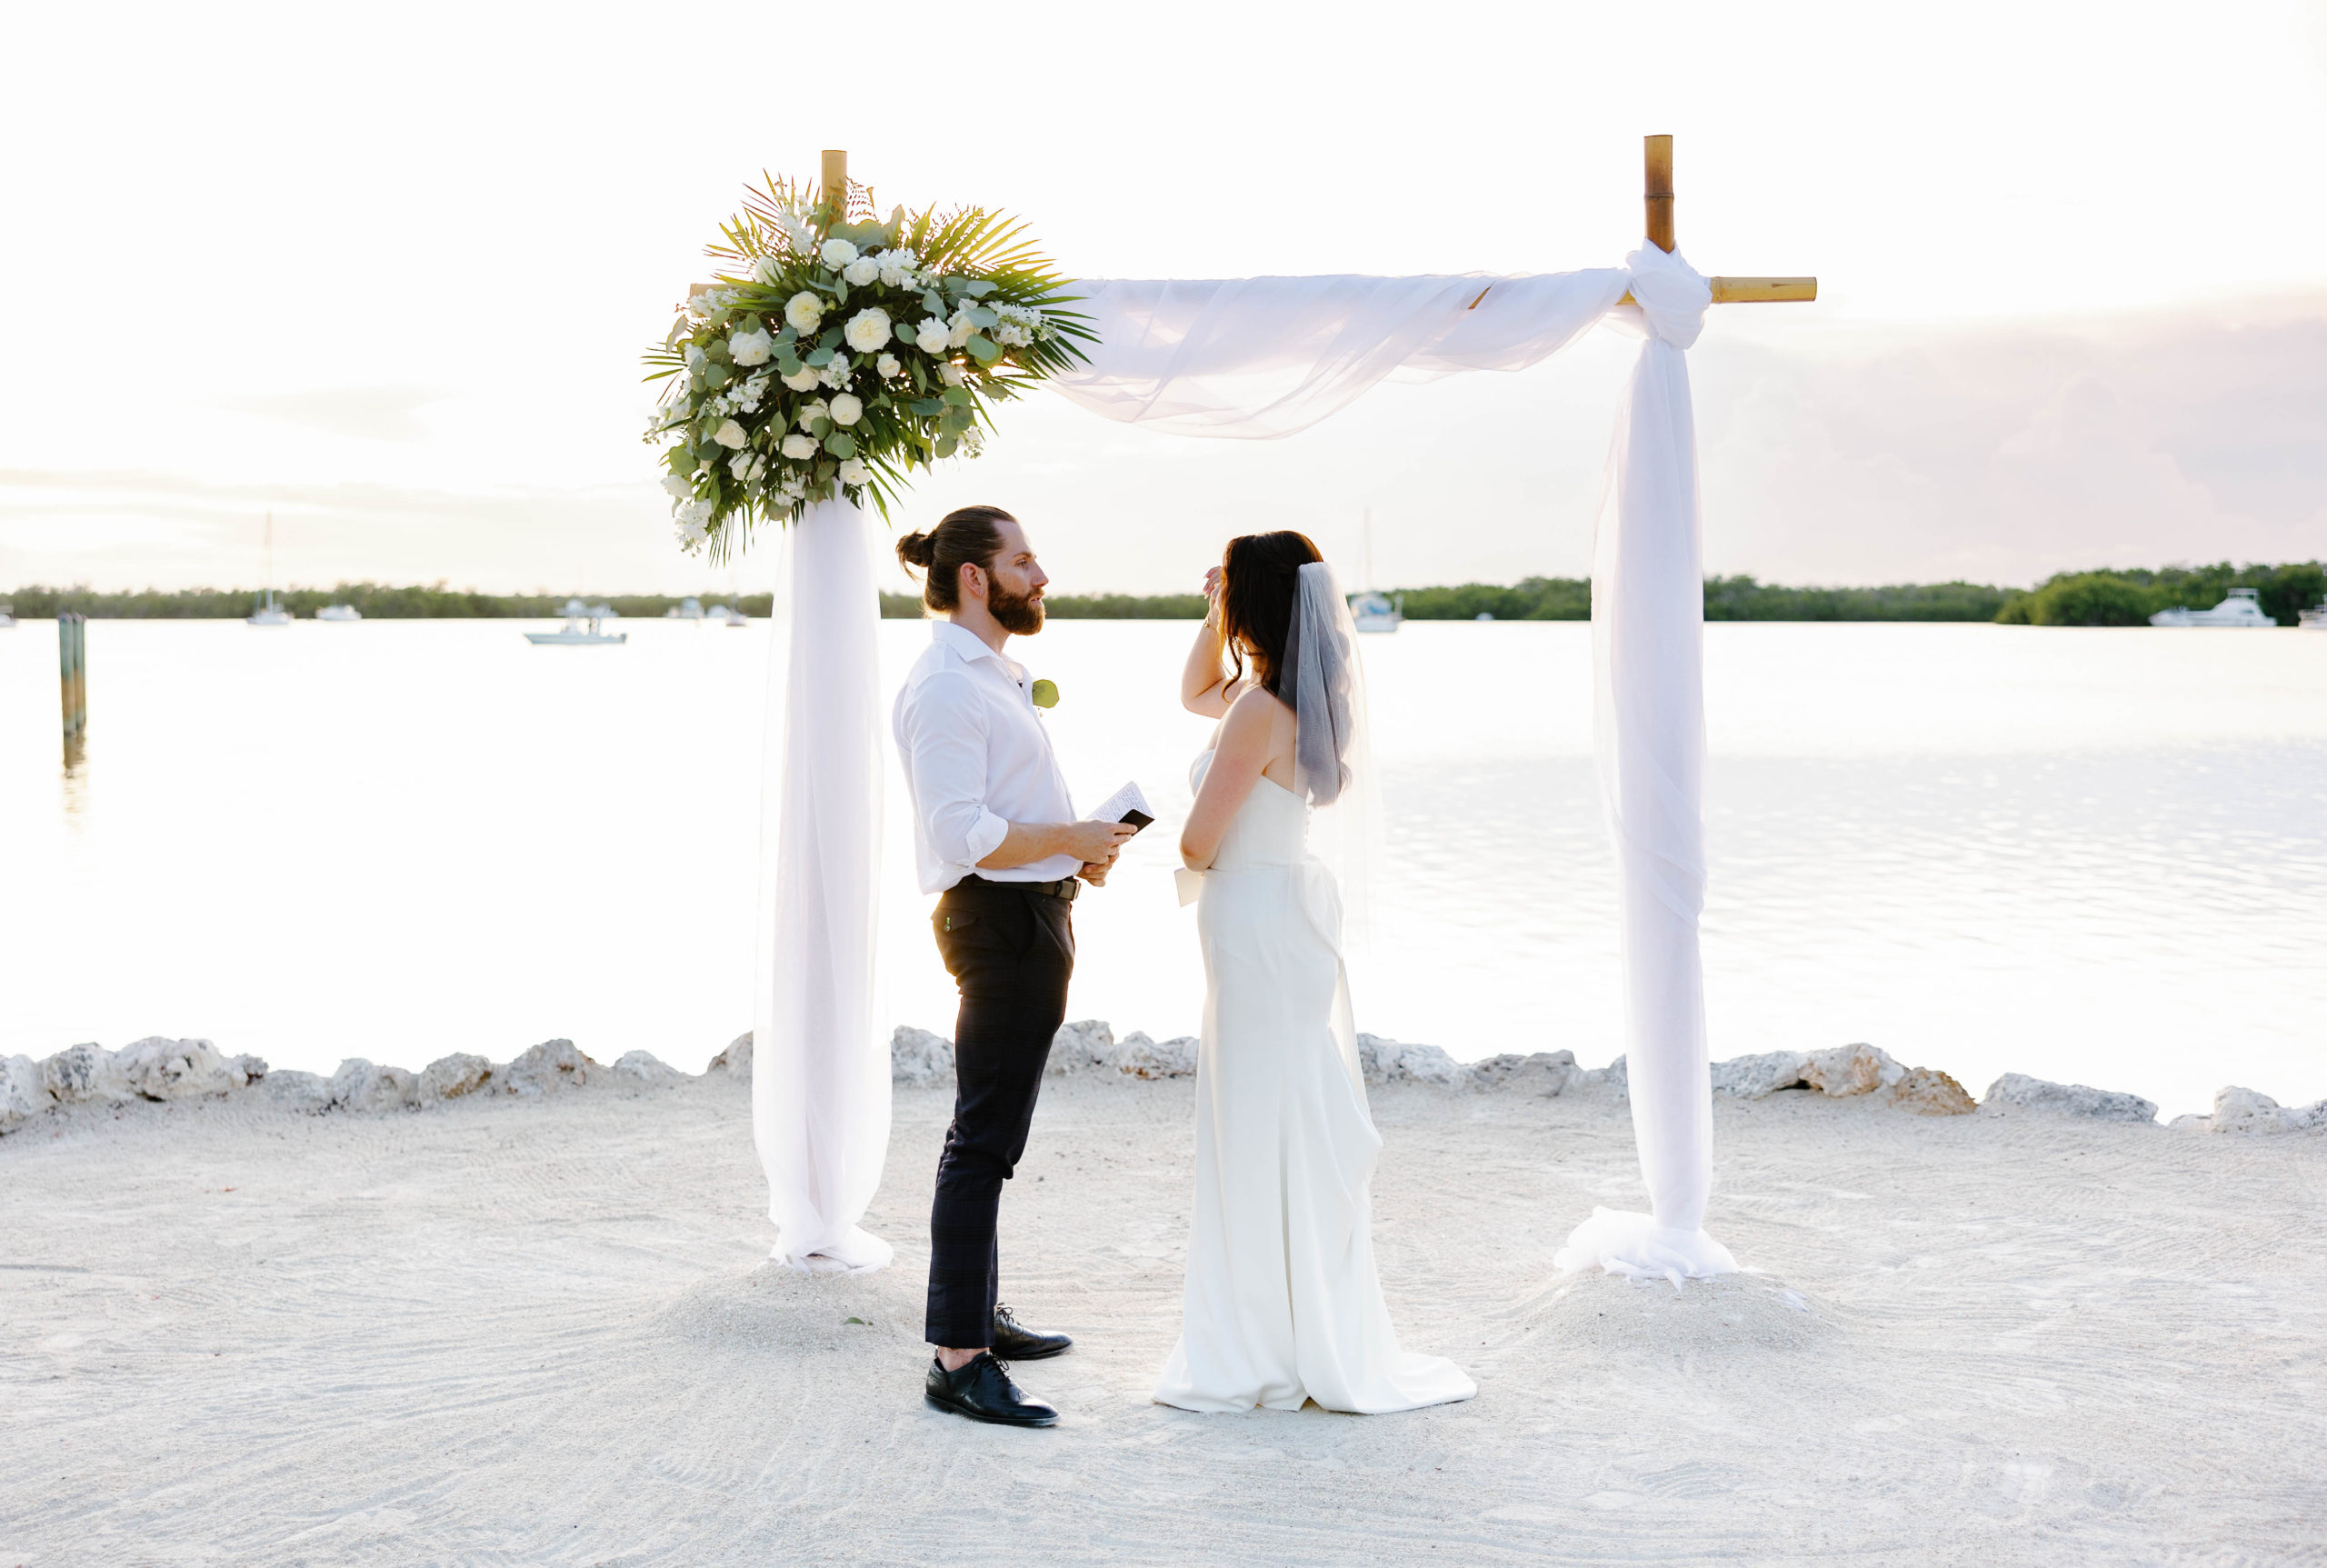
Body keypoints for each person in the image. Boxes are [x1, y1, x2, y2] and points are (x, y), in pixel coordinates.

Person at [1155, 530, 1476, 1414]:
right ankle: (1298, 1313)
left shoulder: (1258, 709)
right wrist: (1217, 611)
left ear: (1256, 603)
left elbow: (1195, 840)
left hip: (1250, 913)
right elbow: (1192, 693)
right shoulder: (1300, 698)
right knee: (1282, 1102)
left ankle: (1262, 1334)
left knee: (1255, 1115)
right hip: (1287, 908)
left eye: (1231, 593)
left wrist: (1158, 830)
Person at [892, 504, 1139, 1429]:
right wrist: (1063, 840)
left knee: (996, 1138)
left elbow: (1007, 815)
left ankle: (977, 1315)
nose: (1041, 579)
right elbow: (961, 835)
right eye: (1024, 562)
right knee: (981, 1143)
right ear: (972, 577)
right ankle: (957, 1361)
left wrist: (1077, 851)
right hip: (995, 924)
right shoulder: (949, 688)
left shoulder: (997, 674)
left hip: (1034, 913)